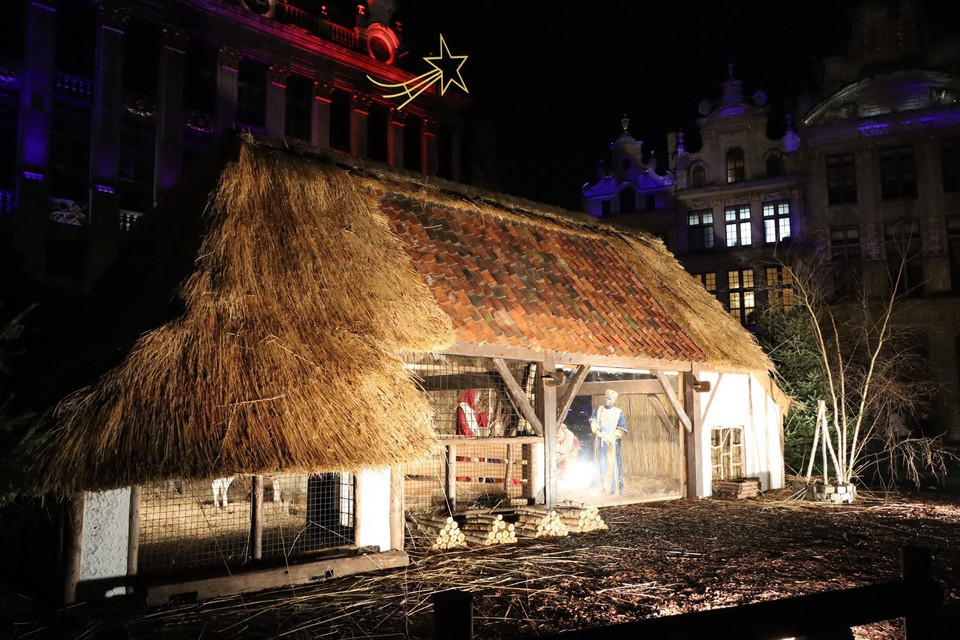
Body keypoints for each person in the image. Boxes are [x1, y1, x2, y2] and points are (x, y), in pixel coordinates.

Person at [590, 389, 627, 494]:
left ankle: (612, 489)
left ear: (614, 400)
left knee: (613, 465)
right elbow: (593, 422)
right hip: (600, 441)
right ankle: (601, 487)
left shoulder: (618, 413)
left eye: (610, 399)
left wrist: (613, 437)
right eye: (606, 398)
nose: (607, 400)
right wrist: (598, 433)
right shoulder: (598, 410)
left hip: (612, 443)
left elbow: (621, 428)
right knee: (600, 463)